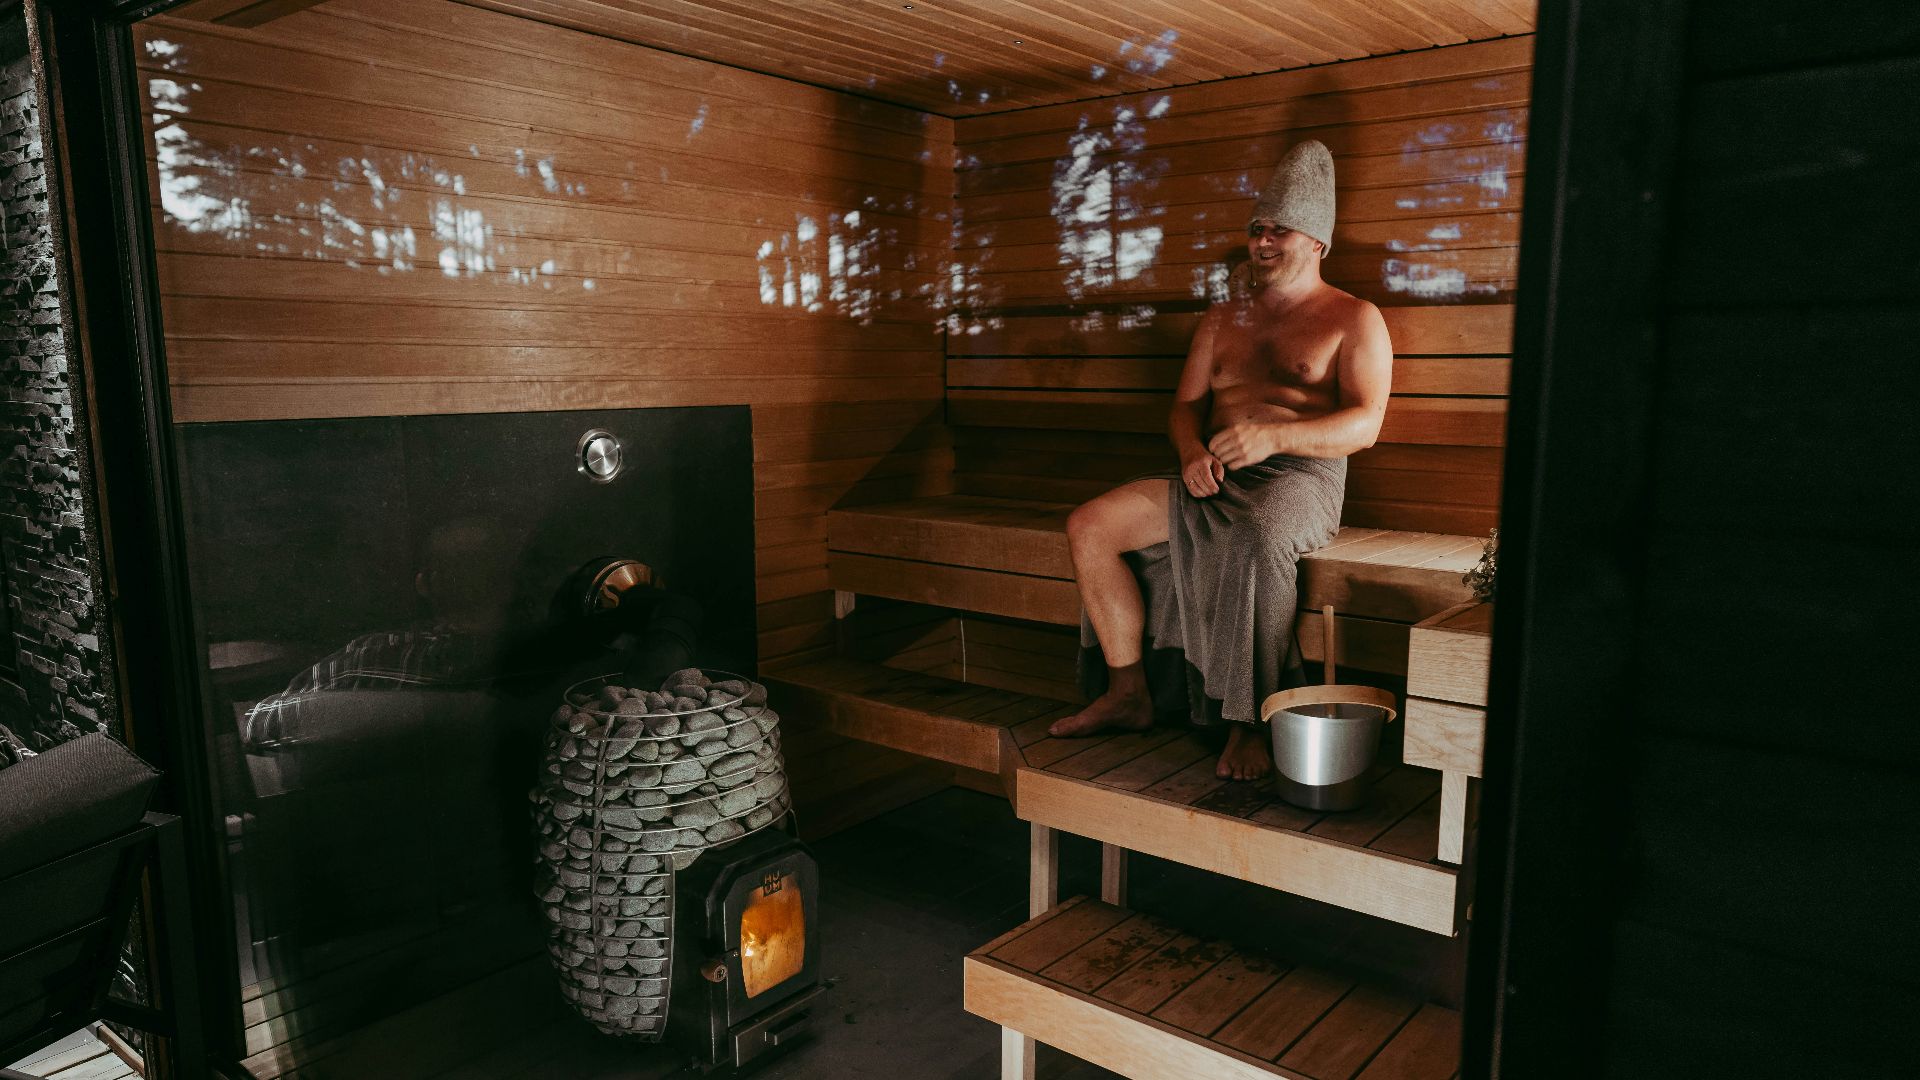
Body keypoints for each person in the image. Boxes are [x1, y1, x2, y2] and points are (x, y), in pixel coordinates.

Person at [1052, 140, 1394, 781]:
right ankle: (1128, 693)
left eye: (1279, 230)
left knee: (1254, 538)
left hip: (1301, 479)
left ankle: (1248, 722)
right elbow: (1185, 408)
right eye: (1256, 230)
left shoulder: (1354, 317)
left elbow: (1366, 423)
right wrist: (1188, 453)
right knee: (1090, 525)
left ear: (1317, 240)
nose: (1262, 242)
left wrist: (1276, 438)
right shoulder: (1221, 319)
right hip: (1211, 474)